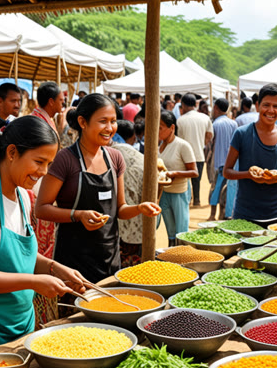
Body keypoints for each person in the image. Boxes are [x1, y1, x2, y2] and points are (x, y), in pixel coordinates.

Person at [0, 116, 87, 368]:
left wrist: (55, 267)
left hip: (17, 322)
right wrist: (33, 282)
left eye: (49, 164)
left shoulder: (23, 196)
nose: (44, 172)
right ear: (12, 152)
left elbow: (22, 255)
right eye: (38, 162)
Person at [35, 93, 160, 284]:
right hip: (73, 261)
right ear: (83, 122)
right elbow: (41, 208)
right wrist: (78, 215)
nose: (110, 128)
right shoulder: (65, 159)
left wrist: (139, 208)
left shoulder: (115, 158)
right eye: (103, 121)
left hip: (109, 256)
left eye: (113, 121)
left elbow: (120, 210)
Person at [224, 83, 277, 228]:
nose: (271, 110)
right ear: (257, 106)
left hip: (276, 214)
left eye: (276, 106)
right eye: (266, 105)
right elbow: (227, 172)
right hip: (245, 213)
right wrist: (249, 174)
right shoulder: (241, 134)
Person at [158, 111, 198, 246]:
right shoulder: (159, 147)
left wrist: (175, 174)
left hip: (179, 193)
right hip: (164, 193)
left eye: (160, 127)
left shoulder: (182, 145)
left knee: (181, 231)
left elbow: (194, 172)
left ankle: (182, 258)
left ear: (172, 128)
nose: (157, 131)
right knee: (170, 230)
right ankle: (171, 255)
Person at [111, 121, 145, 267]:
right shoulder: (142, 158)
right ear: (132, 137)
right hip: (140, 227)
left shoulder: (105, 156)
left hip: (114, 229)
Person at [176, 93, 213, 207]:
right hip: (199, 154)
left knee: (185, 179)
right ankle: (197, 200)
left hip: (184, 155)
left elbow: (178, 138)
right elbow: (210, 134)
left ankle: (187, 200)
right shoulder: (205, 118)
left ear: (183, 105)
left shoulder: (180, 121)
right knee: (197, 180)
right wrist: (203, 143)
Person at [208, 98, 237, 221]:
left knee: (216, 188)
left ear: (216, 108)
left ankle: (212, 215)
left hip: (218, 162)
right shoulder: (234, 124)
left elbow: (210, 144)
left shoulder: (215, 124)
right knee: (227, 189)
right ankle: (223, 213)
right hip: (231, 163)